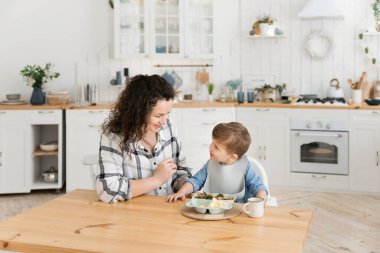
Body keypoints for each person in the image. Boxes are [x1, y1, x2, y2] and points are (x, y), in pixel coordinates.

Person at [96, 74, 191, 203]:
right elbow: (108, 190)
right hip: (133, 214)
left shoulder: (170, 128)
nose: (164, 121)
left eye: (167, 114)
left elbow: (180, 172)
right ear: (139, 111)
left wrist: (186, 188)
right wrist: (157, 179)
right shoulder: (114, 137)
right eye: (158, 115)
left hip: (168, 209)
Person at [167, 122, 268, 203]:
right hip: (214, 209)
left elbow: (259, 187)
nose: (210, 147)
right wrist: (181, 192)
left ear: (232, 157)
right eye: (212, 142)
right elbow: (195, 181)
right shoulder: (210, 165)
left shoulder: (246, 168)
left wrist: (260, 202)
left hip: (239, 212)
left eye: (216, 147)